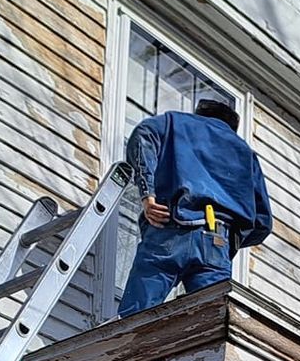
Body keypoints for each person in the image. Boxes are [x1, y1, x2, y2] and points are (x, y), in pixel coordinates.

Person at [117, 97, 272, 319]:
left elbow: (143, 136)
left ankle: (132, 352)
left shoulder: (175, 123)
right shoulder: (245, 154)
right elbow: (263, 223)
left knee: (136, 318)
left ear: (200, 114)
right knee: (210, 325)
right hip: (216, 241)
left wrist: (147, 194)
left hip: (170, 228)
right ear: (231, 127)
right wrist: (231, 240)